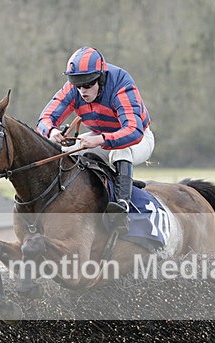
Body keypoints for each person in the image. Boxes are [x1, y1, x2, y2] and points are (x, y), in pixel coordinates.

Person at [37, 46, 154, 231]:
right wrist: (51, 132)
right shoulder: (74, 88)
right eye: (78, 85)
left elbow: (133, 131)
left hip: (137, 139)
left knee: (119, 151)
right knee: (64, 152)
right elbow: (45, 118)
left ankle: (122, 207)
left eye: (88, 85)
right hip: (98, 136)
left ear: (101, 78)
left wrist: (101, 140)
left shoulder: (121, 85)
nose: (82, 91)